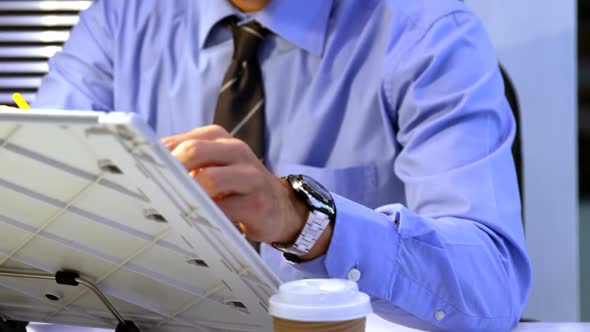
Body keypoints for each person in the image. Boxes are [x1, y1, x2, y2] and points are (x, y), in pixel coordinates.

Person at [32, 0, 531, 330]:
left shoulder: (428, 31)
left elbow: (492, 286)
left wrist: (308, 221)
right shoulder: (120, 20)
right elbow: (39, 196)